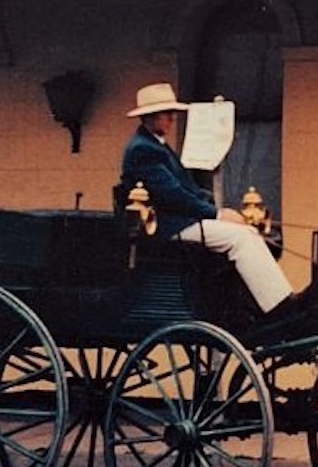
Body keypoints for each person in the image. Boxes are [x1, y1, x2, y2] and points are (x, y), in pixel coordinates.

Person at [119, 83, 304, 337]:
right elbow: (172, 195)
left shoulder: (156, 145)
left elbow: (189, 190)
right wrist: (216, 214)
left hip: (182, 221)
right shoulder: (144, 149)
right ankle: (278, 307)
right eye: (166, 113)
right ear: (149, 117)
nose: (173, 118)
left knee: (247, 232)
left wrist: (221, 210)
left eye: (172, 112)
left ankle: (252, 305)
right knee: (242, 238)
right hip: (170, 226)